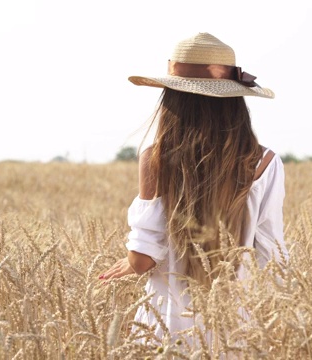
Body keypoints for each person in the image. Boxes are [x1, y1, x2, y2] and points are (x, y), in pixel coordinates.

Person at [99, 32, 287, 341]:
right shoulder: (265, 162)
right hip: (234, 329)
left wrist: (132, 262)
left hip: (165, 329)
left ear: (173, 99)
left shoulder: (155, 158)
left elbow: (143, 259)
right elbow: (272, 257)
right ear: (234, 102)